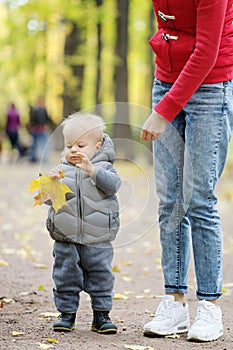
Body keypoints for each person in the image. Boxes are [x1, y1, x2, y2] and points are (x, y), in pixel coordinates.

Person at [141, 0, 233, 343]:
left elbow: (207, 51)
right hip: (166, 80)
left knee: (199, 199)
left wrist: (163, 111)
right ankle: (175, 302)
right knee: (169, 202)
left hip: (210, 87)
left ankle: (209, 305)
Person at [46, 113, 121, 333]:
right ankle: (66, 314)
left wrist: (92, 170)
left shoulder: (105, 168)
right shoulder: (61, 171)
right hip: (66, 236)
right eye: (69, 145)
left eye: (80, 145)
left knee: (101, 276)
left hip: (98, 238)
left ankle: (101, 316)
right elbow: (50, 201)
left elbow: (113, 186)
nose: (74, 150)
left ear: (98, 146)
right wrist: (51, 184)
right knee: (65, 275)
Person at [28, 97, 50, 162]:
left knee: (37, 144)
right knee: (39, 144)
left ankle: (35, 158)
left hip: (39, 129)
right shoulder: (42, 110)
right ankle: (37, 158)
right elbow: (46, 119)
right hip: (39, 129)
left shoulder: (36, 109)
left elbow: (32, 119)